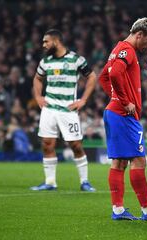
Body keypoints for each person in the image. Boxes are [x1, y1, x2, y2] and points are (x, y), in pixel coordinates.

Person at [99, 18, 147, 221]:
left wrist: (115, 97)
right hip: (123, 115)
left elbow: (103, 77)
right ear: (139, 34)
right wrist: (123, 101)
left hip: (114, 112)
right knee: (139, 160)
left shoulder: (118, 48)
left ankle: (118, 210)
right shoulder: (128, 50)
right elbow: (113, 74)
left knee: (119, 163)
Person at [30, 29, 96, 192]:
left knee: (75, 145)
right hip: (49, 108)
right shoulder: (46, 62)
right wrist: (38, 97)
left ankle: (84, 181)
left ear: (56, 41)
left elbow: (92, 77)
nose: (43, 45)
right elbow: (38, 78)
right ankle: (50, 182)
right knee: (47, 144)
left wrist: (83, 100)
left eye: (46, 41)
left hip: (68, 110)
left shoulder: (76, 59)